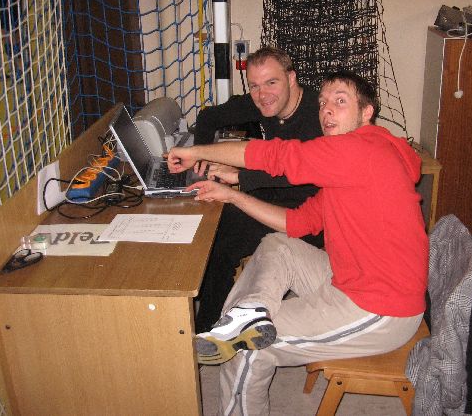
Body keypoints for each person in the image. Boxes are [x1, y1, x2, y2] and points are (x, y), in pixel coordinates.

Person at [167, 71, 428, 415]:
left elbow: (278, 156)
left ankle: (241, 332)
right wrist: (232, 195)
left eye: (340, 101)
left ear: (367, 113)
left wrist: (196, 151)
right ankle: (248, 316)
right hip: (351, 277)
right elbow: (298, 223)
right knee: (279, 245)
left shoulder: (361, 151)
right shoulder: (355, 160)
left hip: (380, 308)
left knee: (247, 349)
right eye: (323, 103)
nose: (327, 110)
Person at [191, 46, 323, 332]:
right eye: (254, 86)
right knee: (209, 220)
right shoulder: (262, 102)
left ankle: (206, 329)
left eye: (271, 82)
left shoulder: (319, 114)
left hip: (308, 212)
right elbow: (208, 117)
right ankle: (210, 315)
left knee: (222, 243)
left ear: (291, 78)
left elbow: (307, 172)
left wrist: (242, 176)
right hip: (269, 195)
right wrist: (201, 153)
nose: (263, 94)